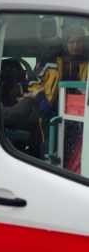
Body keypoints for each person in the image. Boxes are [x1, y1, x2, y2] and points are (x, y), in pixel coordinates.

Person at [28, 25, 88, 164]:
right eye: (71, 42)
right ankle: (49, 170)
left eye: (79, 42)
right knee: (50, 143)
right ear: (65, 42)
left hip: (79, 110)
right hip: (50, 107)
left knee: (74, 144)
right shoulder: (50, 58)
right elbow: (33, 81)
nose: (75, 46)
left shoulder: (87, 59)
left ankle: (70, 172)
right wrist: (41, 99)